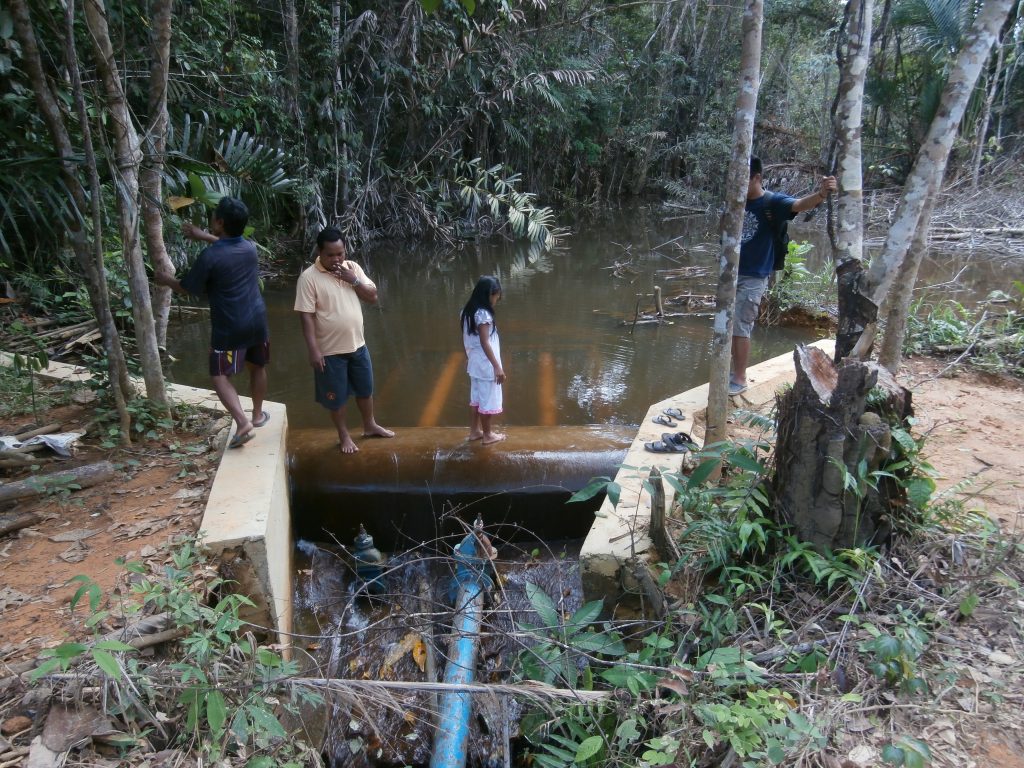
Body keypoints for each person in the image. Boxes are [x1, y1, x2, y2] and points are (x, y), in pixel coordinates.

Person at [156, 196, 270, 448]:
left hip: (230, 324)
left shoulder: (210, 257)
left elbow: (187, 288)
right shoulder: (250, 248)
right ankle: (257, 415)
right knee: (257, 366)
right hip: (258, 320)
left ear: (219, 222)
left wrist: (165, 279)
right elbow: (228, 245)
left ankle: (242, 423)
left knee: (219, 374)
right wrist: (204, 235)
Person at [731, 156, 837, 395]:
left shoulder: (772, 202)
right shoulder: (736, 201)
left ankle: (739, 377)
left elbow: (799, 204)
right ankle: (730, 370)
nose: (737, 185)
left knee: (741, 326)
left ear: (756, 178)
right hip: (729, 274)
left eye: (743, 180)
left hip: (754, 275)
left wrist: (821, 194)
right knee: (727, 325)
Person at [295, 228, 393, 453]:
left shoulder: (353, 268)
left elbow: (373, 297)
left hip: (358, 344)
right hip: (329, 350)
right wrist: (313, 350)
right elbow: (306, 317)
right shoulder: (308, 278)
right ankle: (344, 435)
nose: (337, 259)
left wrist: (354, 280)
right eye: (331, 255)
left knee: (365, 390)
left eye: (340, 253)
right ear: (320, 252)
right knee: (337, 398)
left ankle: (369, 425)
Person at [461, 276, 506, 445]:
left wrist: (467, 357)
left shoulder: (467, 311)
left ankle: (474, 431)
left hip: (475, 363)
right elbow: (485, 341)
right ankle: (488, 435)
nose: (496, 301)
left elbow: (465, 338)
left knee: (477, 399)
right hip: (486, 365)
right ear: (489, 295)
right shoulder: (483, 314)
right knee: (488, 400)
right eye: (496, 297)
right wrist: (497, 367)